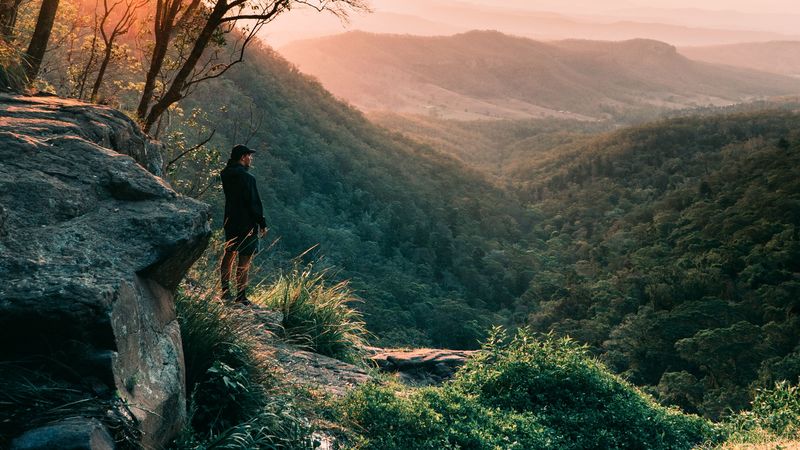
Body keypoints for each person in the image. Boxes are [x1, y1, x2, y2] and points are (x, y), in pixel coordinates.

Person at [220, 144, 267, 304]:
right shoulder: (248, 178)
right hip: (247, 223)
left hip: (230, 221)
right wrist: (262, 222)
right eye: (249, 156)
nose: (250, 159)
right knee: (244, 260)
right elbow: (253, 202)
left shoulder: (225, 174)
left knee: (229, 253)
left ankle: (225, 291)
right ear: (242, 157)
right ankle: (241, 296)